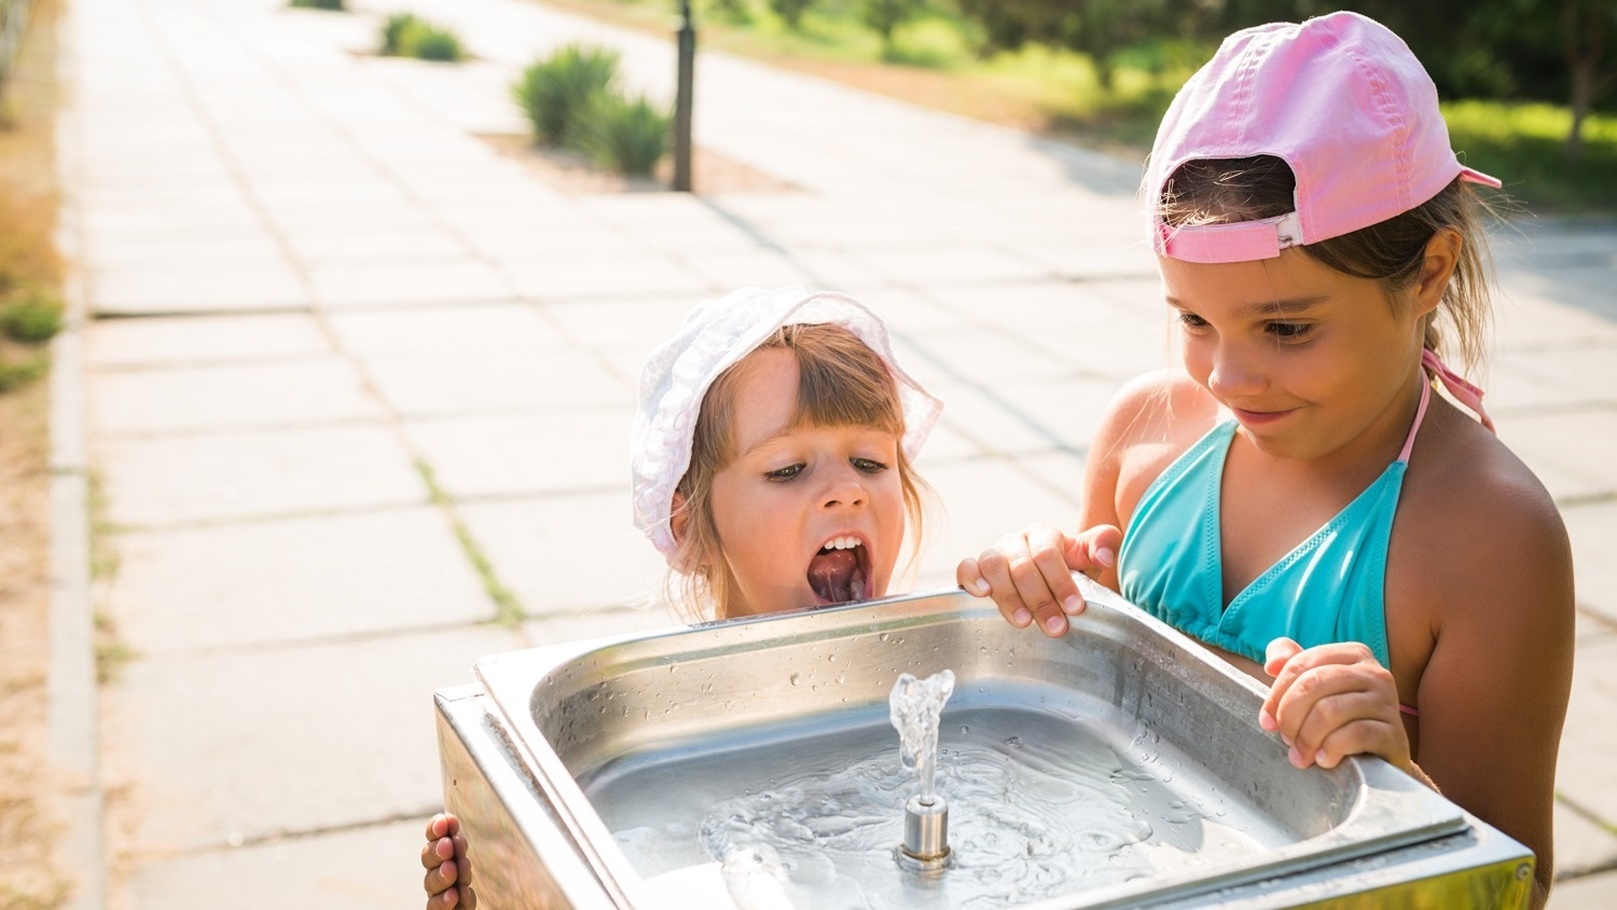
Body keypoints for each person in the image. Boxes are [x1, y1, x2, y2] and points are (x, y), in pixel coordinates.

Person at [957, 11, 1573, 906]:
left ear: (1430, 271)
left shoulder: (1486, 537)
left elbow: (1514, 884)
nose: (1227, 376)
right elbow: (1097, 717)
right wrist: (1044, 596)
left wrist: (1396, 781)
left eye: (1286, 327)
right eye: (1194, 320)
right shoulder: (1145, 433)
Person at [422, 286, 943, 907]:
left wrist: (1037, 571)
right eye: (786, 470)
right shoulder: (653, 741)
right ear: (690, 527)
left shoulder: (932, 703)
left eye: (869, 461)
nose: (845, 491)